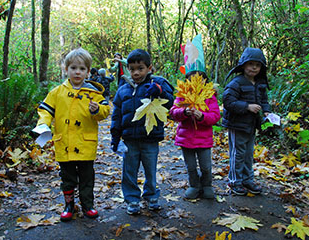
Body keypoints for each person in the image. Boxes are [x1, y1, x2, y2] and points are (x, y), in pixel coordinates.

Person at [36, 48, 110, 221]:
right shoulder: (57, 92)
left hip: (85, 143)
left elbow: (106, 110)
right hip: (65, 143)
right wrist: (43, 124)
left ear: (88, 71)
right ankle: (69, 205)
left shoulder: (94, 93)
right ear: (66, 69)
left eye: (82, 69)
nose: (78, 72)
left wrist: (97, 109)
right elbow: (45, 110)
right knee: (67, 177)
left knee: (86, 177)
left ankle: (88, 205)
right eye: (74, 68)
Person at [110, 49, 174, 215]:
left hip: (150, 137)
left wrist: (159, 91)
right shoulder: (123, 88)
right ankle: (132, 199)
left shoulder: (157, 84)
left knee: (150, 170)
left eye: (140, 68)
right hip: (129, 138)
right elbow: (117, 114)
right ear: (128, 69)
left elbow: (171, 103)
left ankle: (151, 195)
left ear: (149, 68)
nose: (136, 72)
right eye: (132, 69)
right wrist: (115, 136)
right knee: (129, 171)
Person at [169, 34, 221, 199]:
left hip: (204, 138)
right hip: (186, 138)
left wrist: (201, 117)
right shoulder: (182, 94)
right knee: (191, 166)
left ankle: (206, 185)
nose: (194, 80)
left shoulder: (209, 95)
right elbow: (173, 112)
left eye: (198, 77)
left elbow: (215, 116)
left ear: (204, 79)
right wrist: (184, 112)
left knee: (206, 166)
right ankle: (194, 185)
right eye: (191, 77)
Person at [222, 47, 271, 196]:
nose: (254, 67)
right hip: (237, 124)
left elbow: (263, 100)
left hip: (251, 125)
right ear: (243, 65)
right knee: (238, 153)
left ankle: (247, 180)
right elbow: (228, 101)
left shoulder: (260, 83)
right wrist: (247, 106)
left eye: (257, 65)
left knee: (249, 153)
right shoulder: (237, 82)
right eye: (251, 64)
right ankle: (235, 181)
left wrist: (266, 110)